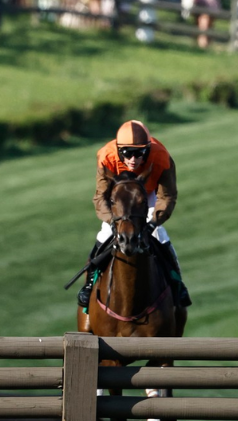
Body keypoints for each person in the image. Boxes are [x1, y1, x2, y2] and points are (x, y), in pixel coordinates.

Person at [79, 120, 190, 309]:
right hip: (120, 199)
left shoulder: (162, 157)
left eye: (139, 153)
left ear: (148, 149)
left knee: (159, 235)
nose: (133, 159)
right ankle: (89, 284)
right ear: (118, 150)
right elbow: (100, 198)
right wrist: (112, 222)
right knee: (105, 234)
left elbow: (167, 196)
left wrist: (154, 222)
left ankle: (177, 283)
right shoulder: (106, 157)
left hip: (146, 196)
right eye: (127, 153)